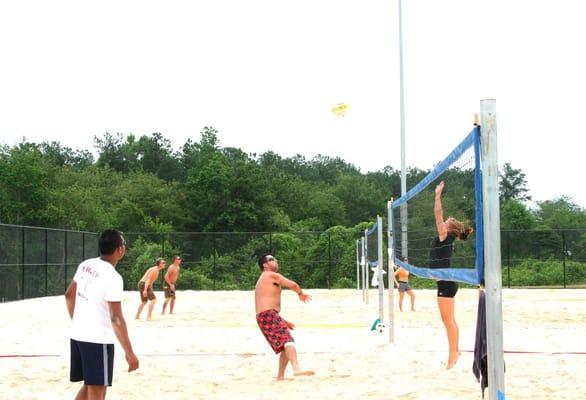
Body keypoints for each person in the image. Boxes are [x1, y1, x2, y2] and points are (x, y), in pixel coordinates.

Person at [64, 229, 139, 400]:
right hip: (97, 340)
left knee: (90, 385)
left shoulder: (85, 264)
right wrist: (129, 352)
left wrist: (78, 321)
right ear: (120, 250)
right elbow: (116, 318)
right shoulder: (113, 277)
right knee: (98, 391)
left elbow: (69, 296)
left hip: (77, 335)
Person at [431, 180, 474, 369]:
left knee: (447, 321)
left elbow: (438, 214)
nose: (445, 220)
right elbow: (440, 217)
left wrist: (438, 195)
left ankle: (453, 355)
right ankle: (455, 350)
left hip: (447, 283)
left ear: (448, 228)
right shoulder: (446, 237)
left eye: (447, 222)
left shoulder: (445, 236)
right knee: (450, 320)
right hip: (447, 281)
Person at [255, 254, 315, 380]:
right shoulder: (270, 275)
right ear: (265, 265)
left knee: (284, 346)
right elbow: (292, 284)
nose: (276, 261)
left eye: (275, 259)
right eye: (271, 259)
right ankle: (297, 368)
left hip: (265, 316)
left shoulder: (264, 278)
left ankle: (280, 376)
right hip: (268, 315)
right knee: (288, 341)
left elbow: (264, 305)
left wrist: (282, 320)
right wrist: (300, 293)